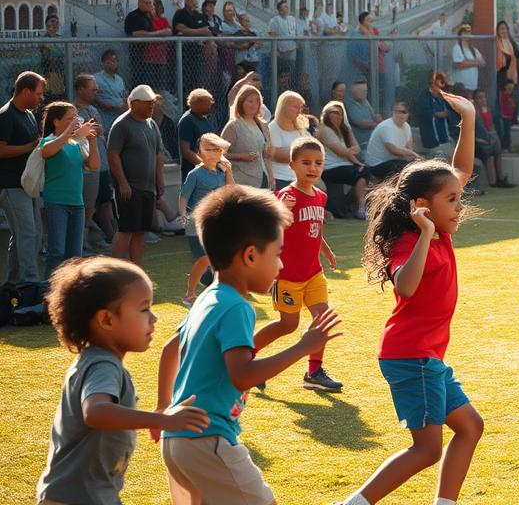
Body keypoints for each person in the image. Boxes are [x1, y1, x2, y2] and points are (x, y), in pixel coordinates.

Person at [156, 185, 342, 505]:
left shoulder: (208, 300)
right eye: (278, 254)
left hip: (178, 441)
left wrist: (163, 410)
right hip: (208, 439)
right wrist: (303, 346)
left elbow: (171, 350)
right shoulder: (237, 306)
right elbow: (242, 375)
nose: (280, 266)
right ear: (251, 255)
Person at [339, 101, 483, 505]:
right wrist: (422, 234)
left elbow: (463, 168)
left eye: (459, 198)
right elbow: (405, 286)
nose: (460, 206)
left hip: (428, 357)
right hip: (411, 355)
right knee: (427, 449)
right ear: (422, 206)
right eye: (452, 200)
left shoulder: (438, 228)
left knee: (470, 427)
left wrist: (467, 119)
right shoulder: (412, 240)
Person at [37, 257, 208, 505]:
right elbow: (95, 412)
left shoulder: (101, 361)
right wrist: (162, 419)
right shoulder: (102, 365)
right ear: (106, 319)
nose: (154, 318)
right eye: (144, 309)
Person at [251, 139, 343, 393]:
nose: (312, 168)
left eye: (318, 163)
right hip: (288, 276)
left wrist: (326, 250)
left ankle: (314, 371)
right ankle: (247, 355)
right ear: (292, 165)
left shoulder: (321, 196)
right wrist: (280, 211)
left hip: (313, 273)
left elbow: (315, 228)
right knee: (287, 325)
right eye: (306, 163)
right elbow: (270, 230)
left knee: (322, 319)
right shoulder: (286, 196)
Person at [40, 102, 101, 278]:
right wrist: (71, 134)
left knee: (75, 255)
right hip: (56, 203)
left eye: (76, 118)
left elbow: (94, 166)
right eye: (70, 118)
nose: (76, 122)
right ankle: (50, 294)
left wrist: (92, 140)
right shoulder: (49, 141)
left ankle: (69, 294)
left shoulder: (76, 144)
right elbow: (46, 151)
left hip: (77, 204)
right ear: (56, 121)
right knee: (56, 251)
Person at [107, 85, 166, 268]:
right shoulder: (121, 125)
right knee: (126, 229)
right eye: (148, 103)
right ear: (133, 103)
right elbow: (113, 154)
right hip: (130, 188)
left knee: (141, 231)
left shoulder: (152, 124)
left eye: (153, 103)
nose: (151, 107)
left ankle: (136, 269)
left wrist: (160, 179)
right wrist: (123, 183)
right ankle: (115, 270)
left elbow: (158, 154)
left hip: (147, 187)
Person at [0, 71, 44, 284]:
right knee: (28, 234)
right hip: (11, 186)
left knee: (26, 235)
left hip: (27, 185)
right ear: (25, 91)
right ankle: (30, 284)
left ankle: (13, 284)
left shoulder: (28, 114)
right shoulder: (6, 115)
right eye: (38, 93)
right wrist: (31, 147)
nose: (40, 98)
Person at [180, 134, 234, 304]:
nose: (214, 153)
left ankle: (215, 290)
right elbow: (184, 196)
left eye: (218, 150)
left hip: (214, 223)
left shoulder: (221, 173)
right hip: (195, 224)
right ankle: (189, 294)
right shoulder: (195, 174)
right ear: (200, 152)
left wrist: (229, 171)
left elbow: (231, 190)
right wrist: (182, 213)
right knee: (204, 259)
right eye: (209, 149)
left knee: (216, 259)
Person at [73, 74, 117, 254]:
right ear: (81, 90)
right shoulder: (72, 111)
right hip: (85, 167)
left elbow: (101, 132)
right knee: (86, 206)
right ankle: (82, 243)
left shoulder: (93, 109)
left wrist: (99, 131)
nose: (96, 92)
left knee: (104, 202)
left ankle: (107, 237)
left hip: (102, 164)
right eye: (93, 89)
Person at [317, 101, 369, 219]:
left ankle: (360, 207)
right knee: (363, 171)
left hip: (343, 165)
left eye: (340, 114)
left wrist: (348, 128)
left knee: (364, 172)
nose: (337, 116)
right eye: (334, 112)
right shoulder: (325, 129)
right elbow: (342, 152)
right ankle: (359, 207)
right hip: (329, 168)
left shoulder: (341, 130)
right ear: (327, 114)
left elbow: (357, 149)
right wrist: (356, 161)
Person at [221, 84, 274, 190]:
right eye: (250, 101)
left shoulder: (263, 125)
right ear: (241, 102)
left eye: (257, 101)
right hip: (240, 182)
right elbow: (219, 155)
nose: (254, 104)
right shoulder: (233, 126)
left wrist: (271, 177)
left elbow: (266, 156)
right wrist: (241, 156)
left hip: (262, 178)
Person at [123, 0, 171, 90]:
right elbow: (135, 33)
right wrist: (153, 35)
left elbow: (168, 31)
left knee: (157, 85)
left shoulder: (150, 17)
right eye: (147, 3)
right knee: (141, 84)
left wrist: (153, 33)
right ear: (140, 3)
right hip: (138, 56)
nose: (150, 6)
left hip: (155, 57)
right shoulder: (133, 16)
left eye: (151, 3)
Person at [268, 91, 311, 191]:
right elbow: (277, 155)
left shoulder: (300, 127)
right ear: (284, 107)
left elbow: (312, 148)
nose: (299, 111)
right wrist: (303, 152)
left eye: (301, 107)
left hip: (299, 178)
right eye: (296, 107)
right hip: (280, 179)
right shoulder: (273, 128)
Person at [366, 102, 420, 180]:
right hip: (377, 164)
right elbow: (393, 150)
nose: (400, 115)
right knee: (407, 169)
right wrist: (414, 155)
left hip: (394, 160)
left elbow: (409, 147)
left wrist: (413, 158)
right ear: (392, 113)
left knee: (417, 167)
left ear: (408, 114)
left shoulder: (407, 126)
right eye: (397, 111)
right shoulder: (386, 126)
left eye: (403, 112)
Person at [472, 88, 514, 189]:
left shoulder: (488, 110)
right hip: (478, 141)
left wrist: (493, 134)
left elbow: (490, 126)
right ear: (475, 100)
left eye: (484, 97)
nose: (482, 100)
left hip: (489, 138)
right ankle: (493, 181)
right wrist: (478, 139)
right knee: (489, 155)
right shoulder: (473, 113)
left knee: (497, 152)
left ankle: (500, 178)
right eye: (479, 98)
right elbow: (470, 130)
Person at [177, 89, 217, 184]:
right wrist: (205, 165)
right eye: (208, 103)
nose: (211, 105)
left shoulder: (204, 119)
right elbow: (186, 151)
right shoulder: (187, 121)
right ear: (197, 103)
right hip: (195, 174)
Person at [417, 72, 457, 158]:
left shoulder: (441, 97)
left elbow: (453, 112)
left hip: (447, 140)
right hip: (434, 143)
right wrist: (438, 114)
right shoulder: (424, 97)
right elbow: (425, 114)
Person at [268, 0, 301, 93]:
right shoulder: (274, 21)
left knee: (291, 74)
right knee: (282, 76)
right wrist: (277, 51)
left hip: (292, 52)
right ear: (280, 10)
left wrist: (297, 44)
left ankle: (290, 92)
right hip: (281, 53)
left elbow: (296, 33)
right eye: (284, 7)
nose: (287, 9)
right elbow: (272, 35)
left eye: (287, 7)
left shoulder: (292, 19)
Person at [93, 50, 128, 129]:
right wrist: (109, 106)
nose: (113, 63)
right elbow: (94, 98)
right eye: (110, 61)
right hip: (105, 116)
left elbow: (124, 96)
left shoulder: (119, 79)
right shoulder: (96, 79)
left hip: (120, 114)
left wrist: (126, 103)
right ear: (103, 62)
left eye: (115, 61)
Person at [346, 79, 381, 148]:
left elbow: (375, 117)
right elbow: (361, 124)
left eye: (366, 91)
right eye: (362, 91)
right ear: (354, 92)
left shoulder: (364, 102)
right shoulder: (351, 106)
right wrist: (378, 124)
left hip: (372, 143)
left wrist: (366, 102)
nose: (365, 93)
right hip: (362, 146)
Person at [450, 25, 484, 93]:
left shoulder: (474, 50)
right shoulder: (456, 48)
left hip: (472, 87)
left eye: (469, 32)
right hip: (460, 88)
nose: (467, 34)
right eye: (465, 32)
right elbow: (458, 64)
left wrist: (466, 62)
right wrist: (476, 62)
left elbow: (483, 63)